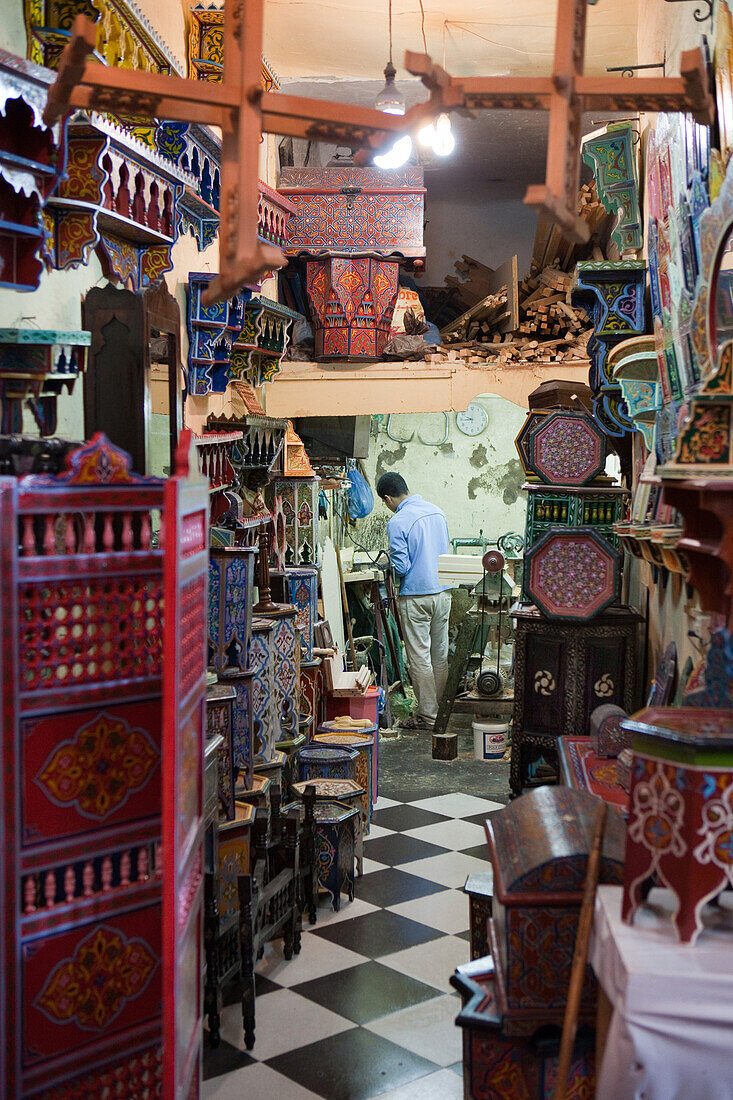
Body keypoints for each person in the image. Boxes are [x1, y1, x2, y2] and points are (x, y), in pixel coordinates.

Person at [376, 472, 451, 731]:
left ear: (387, 499)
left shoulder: (398, 521)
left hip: (416, 596)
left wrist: (386, 564)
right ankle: (442, 713)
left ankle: (429, 718)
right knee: (439, 655)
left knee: (419, 657)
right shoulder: (437, 512)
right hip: (443, 593)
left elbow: (402, 566)